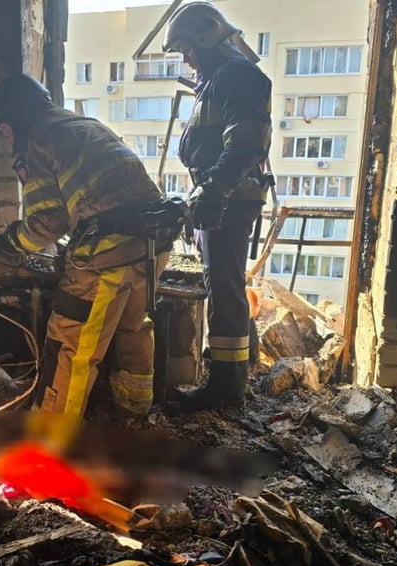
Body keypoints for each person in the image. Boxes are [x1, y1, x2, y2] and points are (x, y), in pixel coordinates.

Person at [0, 74, 179, 418]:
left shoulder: (37, 140)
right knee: (135, 326)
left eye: (2, 129)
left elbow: (49, 221)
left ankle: (51, 438)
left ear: (12, 120)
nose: (4, 140)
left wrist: (11, 244)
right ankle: (134, 410)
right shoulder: (82, 125)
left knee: (70, 346)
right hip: (153, 241)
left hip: (108, 253)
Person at [163, 2, 273, 410]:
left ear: (206, 39)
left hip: (230, 200)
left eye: (187, 49)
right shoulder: (218, 79)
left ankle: (226, 387)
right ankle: (238, 369)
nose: (186, 59)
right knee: (224, 283)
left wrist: (214, 192)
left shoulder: (238, 76)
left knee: (223, 289)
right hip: (222, 197)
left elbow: (246, 143)